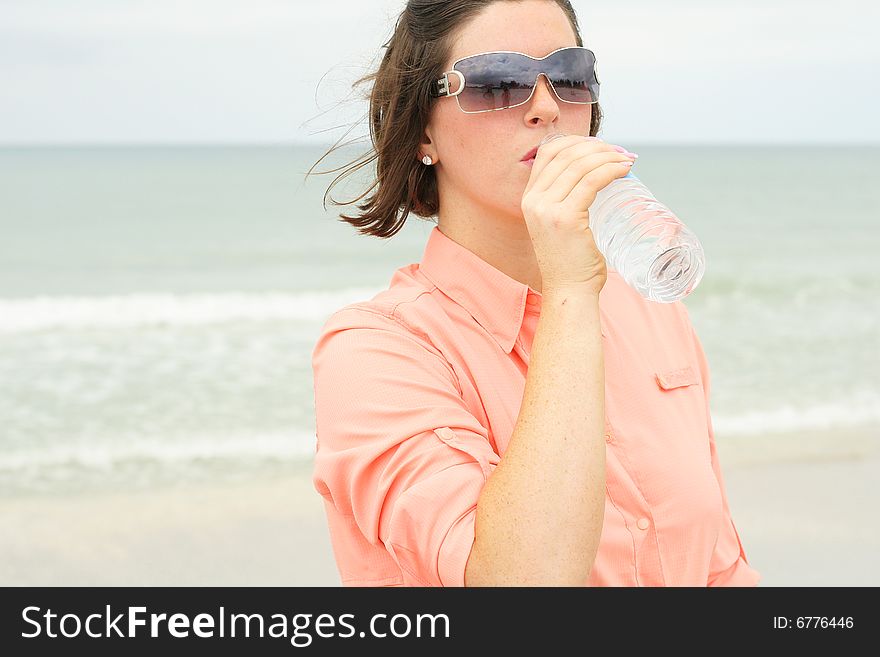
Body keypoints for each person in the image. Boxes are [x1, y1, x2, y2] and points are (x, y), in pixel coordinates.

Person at [308, 0, 761, 587]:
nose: (547, 107)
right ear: (424, 130)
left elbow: (720, 565)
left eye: (570, 77)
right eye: (498, 83)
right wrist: (571, 290)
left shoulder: (647, 307)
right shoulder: (375, 352)